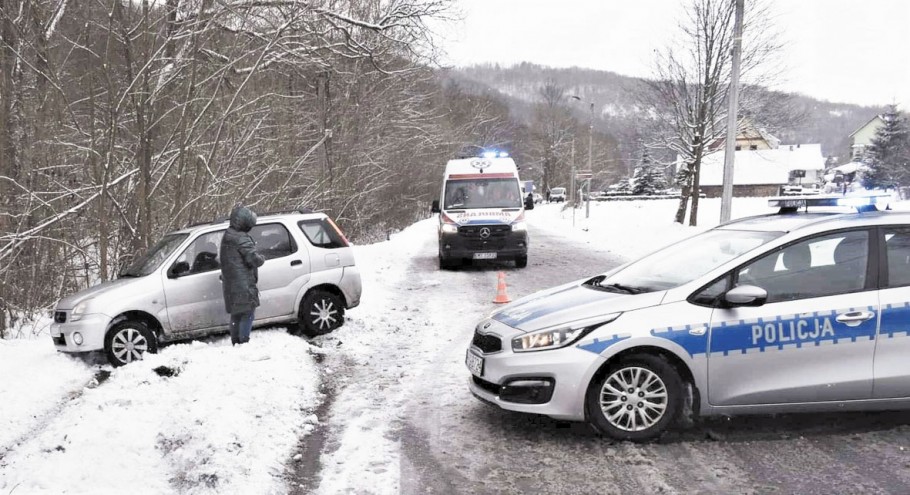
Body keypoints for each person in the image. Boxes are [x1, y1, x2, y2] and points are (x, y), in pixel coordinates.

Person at [220, 205, 265, 345]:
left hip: (231, 283)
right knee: (247, 313)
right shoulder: (241, 238)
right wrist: (262, 258)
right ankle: (243, 343)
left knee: (236, 314)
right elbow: (253, 259)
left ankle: (235, 342)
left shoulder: (228, 235)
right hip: (243, 284)